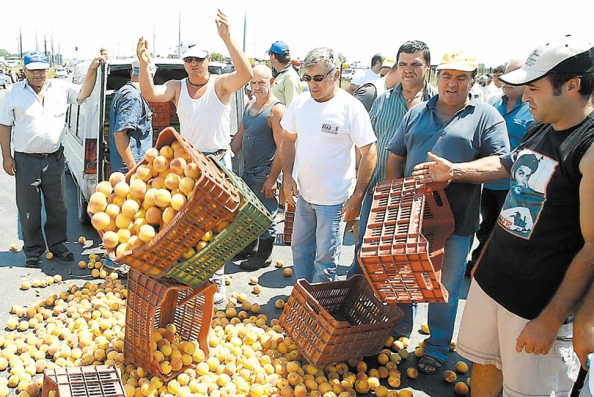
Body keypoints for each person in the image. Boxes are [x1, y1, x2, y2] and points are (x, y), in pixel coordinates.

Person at [413, 35, 594, 395]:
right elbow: (510, 172)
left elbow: (593, 248)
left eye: (536, 88)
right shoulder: (542, 126)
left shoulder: (587, 148)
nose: (526, 97)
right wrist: (454, 171)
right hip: (494, 283)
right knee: (484, 364)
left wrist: (554, 318)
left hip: (537, 305)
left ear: (572, 86)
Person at [385, 50, 509, 375]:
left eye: (461, 77)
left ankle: (437, 347)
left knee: (445, 287)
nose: (452, 83)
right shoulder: (416, 112)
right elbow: (396, 154)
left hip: (456, 223)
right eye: (447, 76)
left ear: (472, 80)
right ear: (437, 76)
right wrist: (393, 199)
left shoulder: (485, 116)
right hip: (410, 216)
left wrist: (454, 171)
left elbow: (501, 164)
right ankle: (399, 333)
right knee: (406, 277)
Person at [137, 9, 252, 304]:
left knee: (217, 226)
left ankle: (215, 284)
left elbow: (246, 74)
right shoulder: (178, 87)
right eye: (189, 60)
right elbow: (151, 93)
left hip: (217, 162)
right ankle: (191, 279)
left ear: (208, 61)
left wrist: (227, 38)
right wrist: (142, 63)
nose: (193, 65)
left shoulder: (219, 85)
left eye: (199, 60)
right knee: (187, 224)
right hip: (189, 166)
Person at [280, 47, 377, 283]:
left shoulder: (350, 107)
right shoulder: (300, 104)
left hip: (334, 203)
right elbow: (288, 139)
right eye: (308, 78)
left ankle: (319, 311)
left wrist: (358, 195)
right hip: (304, 196)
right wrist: (287, 176)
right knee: (300, 251)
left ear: (335, 74)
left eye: (319, 78)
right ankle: (303, 301)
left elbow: (370, 153)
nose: (312, 85)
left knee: (324, 263)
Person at [0, 51, 105, 268]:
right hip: (25, 160)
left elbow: (84, 92)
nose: (38, 74)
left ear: (48, 69)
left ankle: (57, 244)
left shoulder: (60, 87)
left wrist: (93, 68)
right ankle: (33, 250)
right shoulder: (13, 92)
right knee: (28, 208)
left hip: (54, 158)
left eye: (41, 69)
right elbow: (5, 125)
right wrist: (6, 157)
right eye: (33, 69)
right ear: (25, 70)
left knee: (58, 205)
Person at [347, 39, 437, 278]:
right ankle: (354, 300)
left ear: (428, 66)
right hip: (378, 193)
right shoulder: (383, 100)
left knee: (407, 262)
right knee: (365, 249)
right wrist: (357, 188)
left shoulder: (439, 102)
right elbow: (365, 147)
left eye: (415, 64)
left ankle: (398, 313)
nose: (408, 69)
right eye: (403, 63)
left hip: (420, 199)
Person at [466, 60, 533, 275]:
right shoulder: (495, 104)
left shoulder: (533, 110)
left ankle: (499, 270)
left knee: (509, 229)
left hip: (516, 185)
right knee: (486, 226)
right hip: (490, 183)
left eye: (515, 76)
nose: (507, 80)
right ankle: (479, 263)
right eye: (505, 74)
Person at [230, 65, 285, 270]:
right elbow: (240, 135)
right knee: (250, 212)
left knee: (266, 213)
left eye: (261, 82)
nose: (256, 86)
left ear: (271, 82)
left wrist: (272, 178)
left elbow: (282, 148)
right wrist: (227, 155)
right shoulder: (249, 107)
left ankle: (264, 255)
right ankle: (250, 247)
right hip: (248, 169)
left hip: (265, 172)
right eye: (253, 82)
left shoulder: (276, 110)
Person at [109, 60, 158, 174]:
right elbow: (120, 133)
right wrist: (133, 169)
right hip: (130, 170)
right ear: (150, 75)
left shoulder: (127, 92)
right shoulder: (132, 97)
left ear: (132, 73)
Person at [268, 41, 302, 106]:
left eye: (269, 54)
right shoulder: (280, 75)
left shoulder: (290, 76)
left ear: (274, 56)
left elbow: (292, 107)